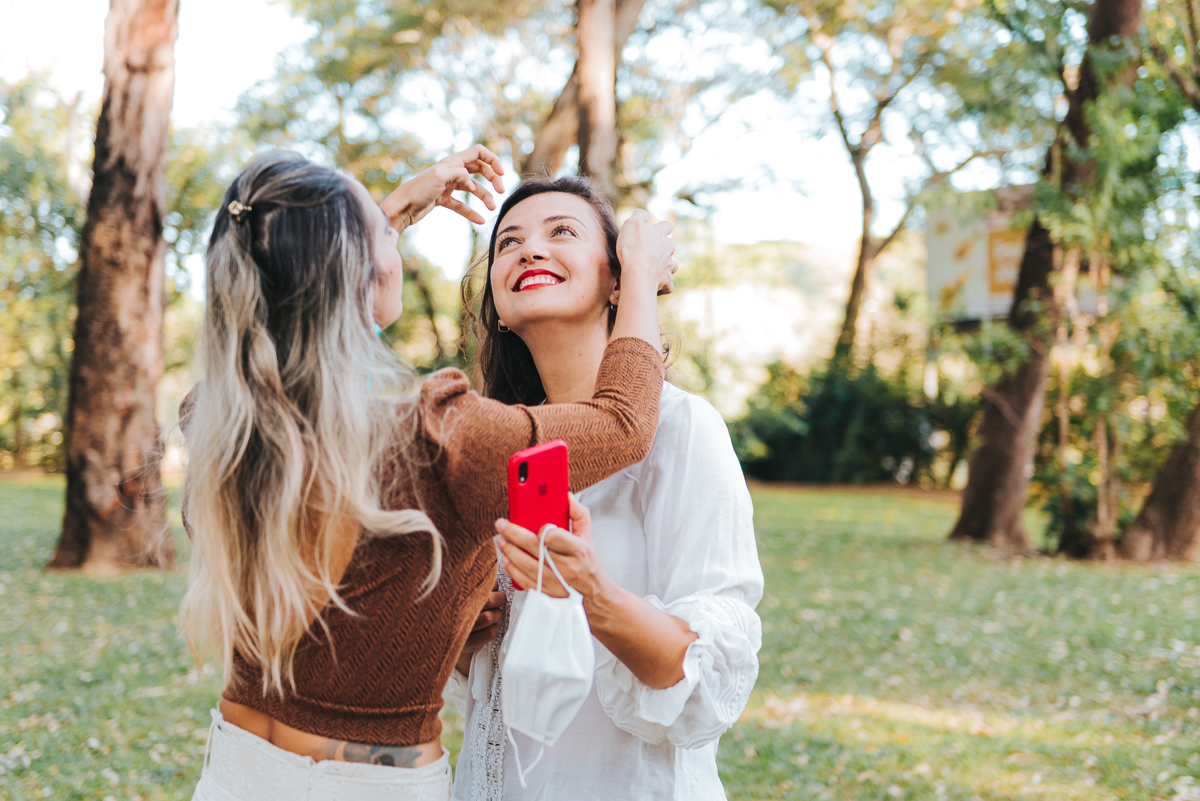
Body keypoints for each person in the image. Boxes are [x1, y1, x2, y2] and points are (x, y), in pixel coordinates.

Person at [178, 147, 678, 801]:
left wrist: (370, 223)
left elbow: (286, 318)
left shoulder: (222, 422)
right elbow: (623, 424)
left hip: (235, 770)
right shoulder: (444, 439)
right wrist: (637, 273)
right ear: (361, 268)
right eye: (384, 236)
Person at [446, 176, 763, 801]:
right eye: (508, 243)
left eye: (561, 232)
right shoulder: (494, 441)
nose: (529, 251)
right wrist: (466, 630)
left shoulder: (682, 429)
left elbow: (705, 671)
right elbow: (477, 680)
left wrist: (592, 592)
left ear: (617, 280)